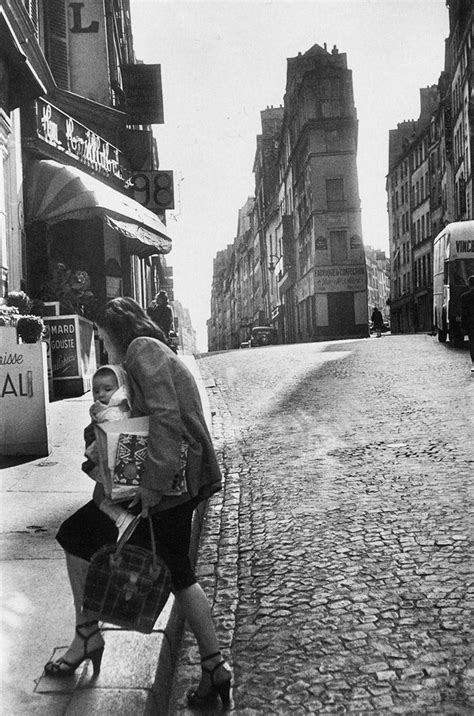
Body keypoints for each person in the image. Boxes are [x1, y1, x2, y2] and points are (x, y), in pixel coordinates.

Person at [44, 297, 231, 710]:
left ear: (114, 333)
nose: (103, 345)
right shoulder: (148, 351)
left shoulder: (141, 350)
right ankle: (214, 666)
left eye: (103, 337)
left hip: (168, 485)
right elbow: (142, 416)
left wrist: (150, 485)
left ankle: (88, 634)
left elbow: (165, 419)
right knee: (178, 571)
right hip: (176, 483)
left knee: (77, 537)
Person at [82, 365, 135, 536]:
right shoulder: (121, 407)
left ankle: (123, 520)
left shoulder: (110, 414)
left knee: (99, 496)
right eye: (96, 391)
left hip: (113, 464)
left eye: (107, 389)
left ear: (120, 388)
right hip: (120, 464)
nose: (101, 394)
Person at [460, 274, 474, 373]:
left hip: (471, 324)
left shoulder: (464, 297)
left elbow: (464, 314)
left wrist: (463, 326)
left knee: (472, 343)